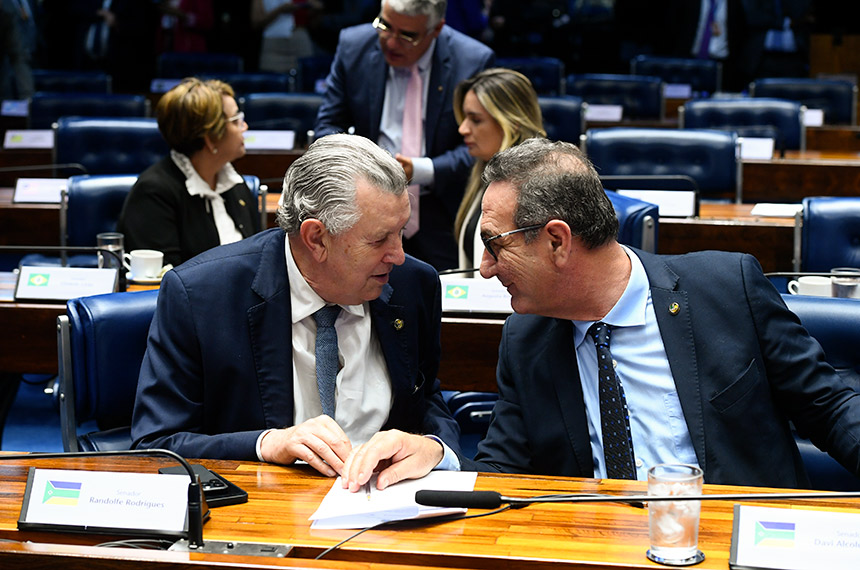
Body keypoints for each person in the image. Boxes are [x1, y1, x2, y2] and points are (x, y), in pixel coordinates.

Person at [461, 137, 860, 488]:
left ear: (556, 241)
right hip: (600, 544)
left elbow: (829, 408)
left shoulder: (726, 288)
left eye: (495, 245)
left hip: (736, 534)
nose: (485, 267)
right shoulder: (525, 339)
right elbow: (504, 473)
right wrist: (440, 459)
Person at [132, 134, 460, 491]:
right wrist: (266, 443)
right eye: (380, 239)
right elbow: (155, 447)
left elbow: (426, 398)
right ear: (316, 238)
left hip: (387, 508)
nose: (398, 255)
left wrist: (435, 447)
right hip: (259, 513)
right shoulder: (202, 297)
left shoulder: (415, 284)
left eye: (400, 232)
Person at [313, 0, 495, 271]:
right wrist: (361, 170)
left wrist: (421, 170)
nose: (390, 42)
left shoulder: (470, 60)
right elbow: (327, 129)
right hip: (365, 207)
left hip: (441, 210)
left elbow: (482, 145)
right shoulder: (354, 46)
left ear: (437, 29)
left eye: (407, 35)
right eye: (385, 25)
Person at [117, 78, 261, 268]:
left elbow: (261, 257)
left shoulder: (236, 184)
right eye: (236, 121)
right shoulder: (154, 193)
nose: (245, 127)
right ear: (210, 138)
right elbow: (165, 279)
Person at [453, 68, 544, 270]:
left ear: (513, 123)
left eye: (475, 120)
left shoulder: (538, 189)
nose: (463, 129)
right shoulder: (485, 173)